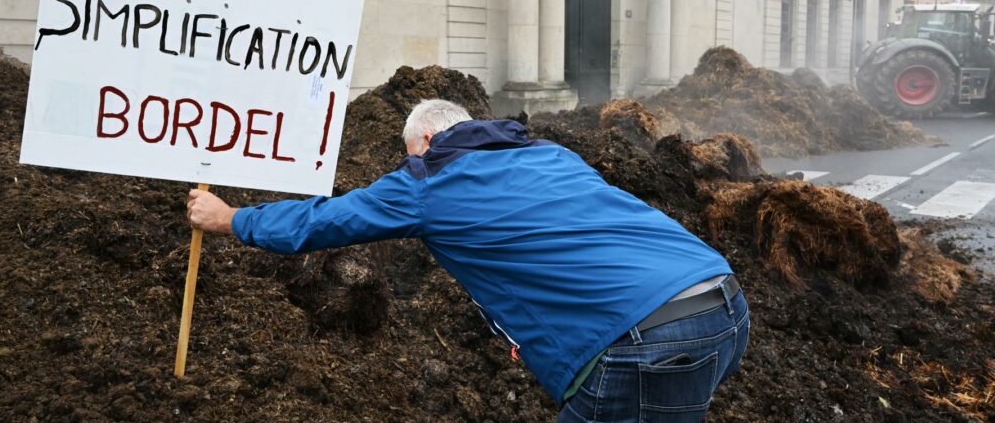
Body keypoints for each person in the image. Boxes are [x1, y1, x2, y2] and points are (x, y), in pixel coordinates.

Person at [188, 99, 749, 422]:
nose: (409, 164)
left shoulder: (427, 181)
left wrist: (232, 219)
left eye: (410, 154)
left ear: (427, 139)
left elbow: (325, 221)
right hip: (721, 300)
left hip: (645, 344)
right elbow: (565, 239)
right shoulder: (550, 153)